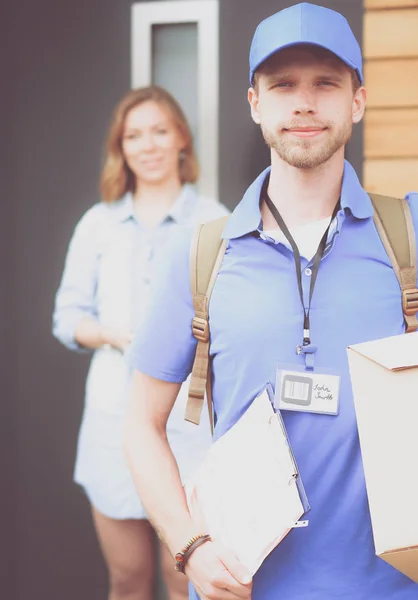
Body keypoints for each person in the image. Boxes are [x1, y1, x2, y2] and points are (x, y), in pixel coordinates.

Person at [122, 4, 418, 600]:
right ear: (255, 103)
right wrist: (189, 546)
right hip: (248, 590)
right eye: (283, 85)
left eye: (326, 83)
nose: (304, 103)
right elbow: (140, 426)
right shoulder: (201, 256)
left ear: (358, 101)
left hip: (399, 589)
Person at [53, 85, 229, 600]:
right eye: (134, 135)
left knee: (187, 578)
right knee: (127, 577)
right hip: (113, 425)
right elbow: (67, 317)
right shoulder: (97, 225)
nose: (148, 145)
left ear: (180, 139)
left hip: (191, 431)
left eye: (159, 130)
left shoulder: (215, 221)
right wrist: (110, 334)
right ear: (121, 148)